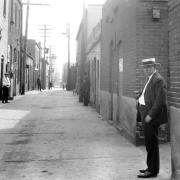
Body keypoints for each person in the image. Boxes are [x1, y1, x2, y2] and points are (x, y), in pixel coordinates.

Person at [135, 58, 168, 178]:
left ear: (154, 67)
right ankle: (150, 166)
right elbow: (150, 95)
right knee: (149, 143)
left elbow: (159, 101)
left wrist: (150, 116)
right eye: (144, 67)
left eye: (148, 67)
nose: (146, 69)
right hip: (145, 114)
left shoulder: (158, 80)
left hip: (150, 116)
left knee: (152, 143)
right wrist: (140, 94)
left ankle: (153, 170)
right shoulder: (150, 78)